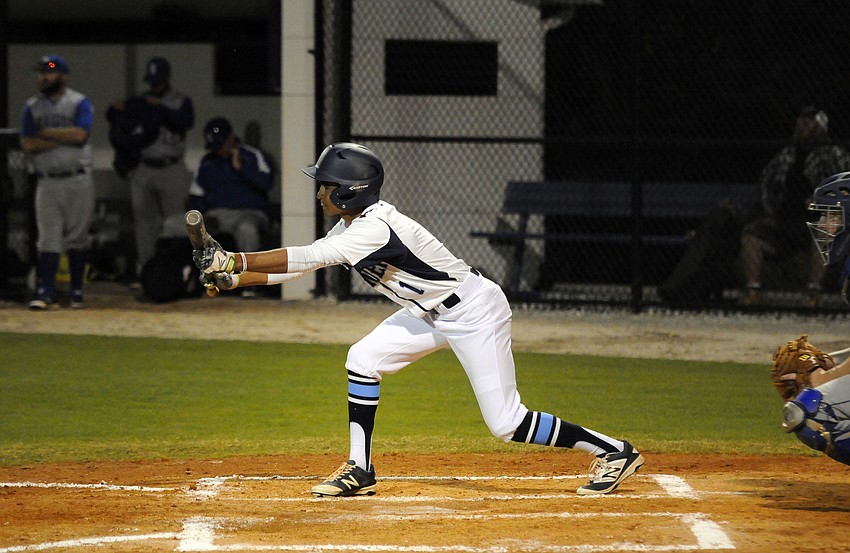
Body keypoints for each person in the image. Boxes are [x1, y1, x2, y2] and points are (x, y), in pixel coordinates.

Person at [192, 142, 645, 496]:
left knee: (506, 424)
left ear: (350, 190)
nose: (320, 191)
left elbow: (305, 256)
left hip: (473, 312)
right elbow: (304, 266)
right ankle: (360, 468)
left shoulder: (373, 228)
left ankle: (614, 451)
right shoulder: (351, 226)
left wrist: (231, 259)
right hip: (427, 314)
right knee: (363, 358)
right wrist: (234, 280)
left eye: (327, 184)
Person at [739, 105, 850, 307]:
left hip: (817, 220)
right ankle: (753, 291)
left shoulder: (834, 154)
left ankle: (813, 294)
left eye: (807, 122)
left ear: (820, 128)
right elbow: (767, 185)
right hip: (785, 221)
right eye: (799, 121)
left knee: (823, 232)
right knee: (752, 237)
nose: (800, 125)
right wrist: (769, 209)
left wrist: (820, 201)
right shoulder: (786, 155)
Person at [107, 56, 194, 287]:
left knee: (175, 224)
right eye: (152, 81)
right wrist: (118, 108)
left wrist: (162, 108)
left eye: (158, 80)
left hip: (172, 167)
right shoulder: (141, 100)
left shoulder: (179, 100)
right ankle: (146, 273)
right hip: (145, 167)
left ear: (166, 78)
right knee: (145, 225)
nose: (154, 85)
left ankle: (177, 274)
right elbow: (117, 118)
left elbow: (186, 121)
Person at [19, 54, 95, 310]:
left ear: (63, 75)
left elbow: (81, 134)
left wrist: (44, 133)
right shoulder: (32, 106)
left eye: (49, 72)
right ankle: (46, 291)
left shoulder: (79, 102)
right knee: (48, 238)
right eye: (41, 72)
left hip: (77, 179)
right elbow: (27, 143)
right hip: (47, 181)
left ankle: (76, 292)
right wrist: (64, 136)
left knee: (77, 237)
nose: (44, 77)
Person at [187, 117, 274, 298]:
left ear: (231, 138)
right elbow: (195, 194)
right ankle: (187, 279)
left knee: (247, 230)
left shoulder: (252, 155)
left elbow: (266, 183)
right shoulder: (208, 161)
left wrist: (240, 167)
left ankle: (250, 283)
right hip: (217, 215)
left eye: (221, 144)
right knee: (175, 226)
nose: (218, 149)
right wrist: (204, 212)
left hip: (249, 213)